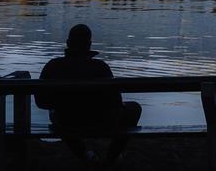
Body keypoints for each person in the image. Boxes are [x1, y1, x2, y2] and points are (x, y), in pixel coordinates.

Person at [35, 24, 142, 167]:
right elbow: (116, 102)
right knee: (134, 108)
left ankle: (85, 156)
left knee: (57, 114)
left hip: (66, 121)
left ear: (68, 43)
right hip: (100, 121)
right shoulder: (101, 67)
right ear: (89, 45)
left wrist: (62, 103)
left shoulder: (53, 66)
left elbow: (41, 102)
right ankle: (111, 157)